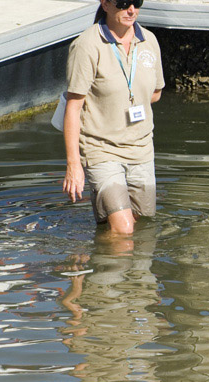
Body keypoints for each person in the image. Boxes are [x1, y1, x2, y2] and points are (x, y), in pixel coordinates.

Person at [62, 0, 164, 237]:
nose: (131, 10)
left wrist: (122, 103)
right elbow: (73, 108)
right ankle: (86, 269)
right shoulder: (87, 46)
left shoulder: (149, 41)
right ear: (105, 4)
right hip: (102, 149)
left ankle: (109, 264)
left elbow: (156, 93)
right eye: (123, 3)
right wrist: (73, 165)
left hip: (141, 148)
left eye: (136, 2)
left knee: (140, 223)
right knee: (124, 228)